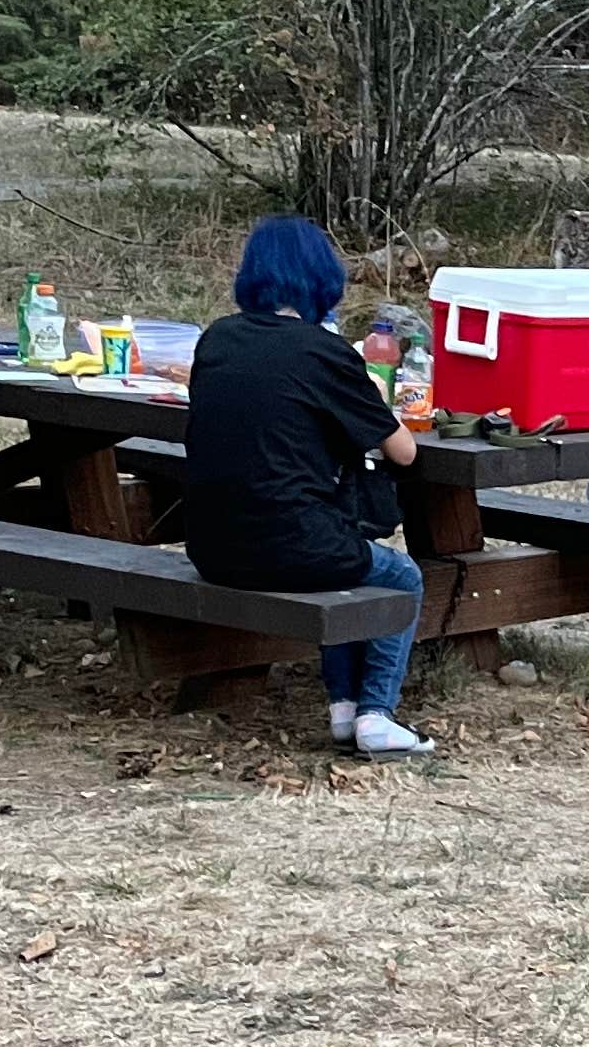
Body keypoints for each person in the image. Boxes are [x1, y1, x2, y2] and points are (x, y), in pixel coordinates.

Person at [180, 217, 438, 760]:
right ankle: (375, 712)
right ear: (322, 279)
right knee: (399, 575)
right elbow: (404, 451)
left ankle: (343, 707)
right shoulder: (324, 353)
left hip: (211, 546)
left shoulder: (217, 339)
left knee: (341, 558)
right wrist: (369, 392)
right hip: (294, 545)